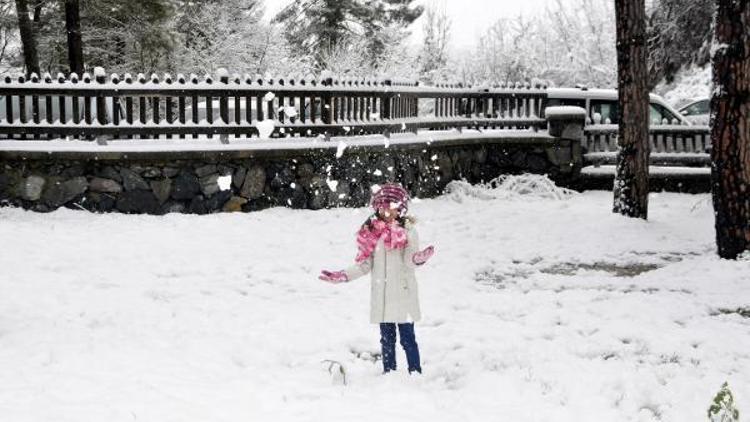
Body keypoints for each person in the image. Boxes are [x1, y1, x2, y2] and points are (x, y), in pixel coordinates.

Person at [319, 183, 434, 374]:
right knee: (387, 339)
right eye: (383, 207)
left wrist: (418, 259)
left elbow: (409, 261)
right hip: (382, 297)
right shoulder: (371, 233)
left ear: (401, 209)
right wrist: (344, 275)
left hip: (403, 294)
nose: (387, 212)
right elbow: (365, 265)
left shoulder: (408, 232)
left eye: (392, 208)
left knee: (407, 339)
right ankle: (389, 372)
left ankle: (415, 372)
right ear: (377, 208)